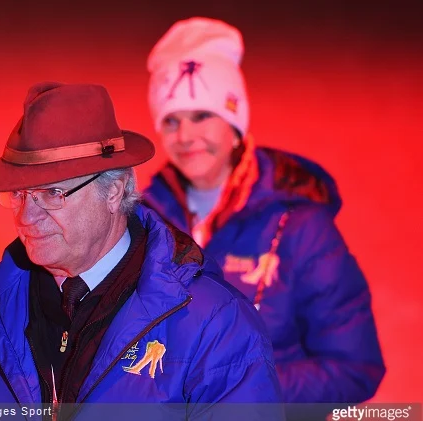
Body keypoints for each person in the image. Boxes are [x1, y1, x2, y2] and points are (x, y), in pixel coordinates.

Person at [0, 81, 284, 420]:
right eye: (19, 194)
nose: (27, 216)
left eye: (52, 193)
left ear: (114, 191)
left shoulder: (215, 323)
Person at [143, 17, 385, 410]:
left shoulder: (300, 226)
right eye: (171, 121)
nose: (185, 136)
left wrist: (241, 393)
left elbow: (354, 367)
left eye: (202, 115)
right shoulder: (145, 222)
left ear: (235, 122)